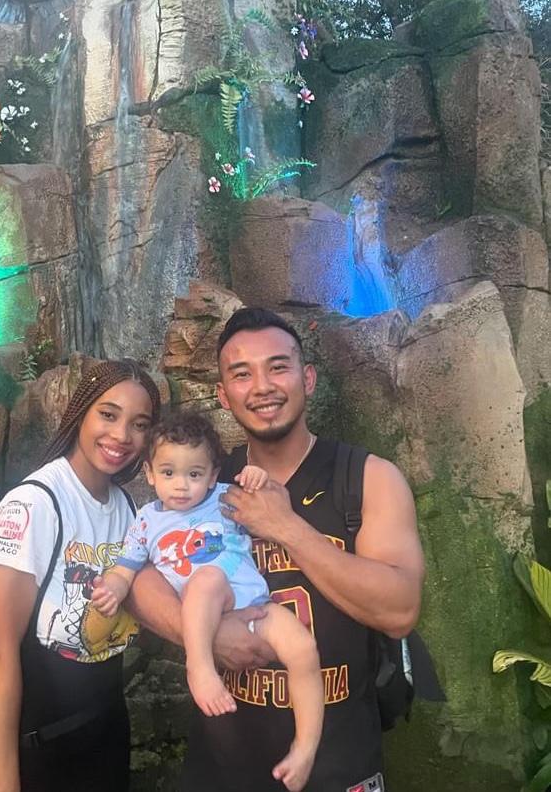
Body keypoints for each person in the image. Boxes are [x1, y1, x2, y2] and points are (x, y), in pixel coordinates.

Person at [126, 308, 424, 792]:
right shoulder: (203, 482)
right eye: (242, 374)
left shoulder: (367, 478)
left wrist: (285, 527)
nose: (262, 386)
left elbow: (400, 610)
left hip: (338, 767)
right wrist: (205, 636)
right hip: (222, 768)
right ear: (223, 395)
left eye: (278, 367)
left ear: (308, 378)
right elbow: (138, 582)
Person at [92, 411, 324, 791]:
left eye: (194, 474)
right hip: (207, 601)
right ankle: (199, 669)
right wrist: (114, 589)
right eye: (169, 473)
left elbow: (271, 499)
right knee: (206, 579)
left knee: (304, 649)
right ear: (149, 473)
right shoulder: (147, 521)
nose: (181, 485)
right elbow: (126, 569)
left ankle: (306, 746)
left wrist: (258, 479)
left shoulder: (223, 497)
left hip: (254, 602)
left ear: (213, 475)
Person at [0, 359, 161, 792]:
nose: (122, 435)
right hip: (42, 746)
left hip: (106, 734)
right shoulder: (33, 505)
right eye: (108, 414)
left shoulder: (127, 508)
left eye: (139, 424)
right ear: (80, 413)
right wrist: (4, 785)